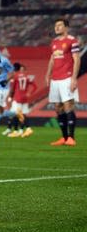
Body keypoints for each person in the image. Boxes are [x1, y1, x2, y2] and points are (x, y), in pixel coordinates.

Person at [45, 18, 80, 146]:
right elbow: (52, 59)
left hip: (67, 77)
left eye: (59, 25)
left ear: (66, 27)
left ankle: (71, 137)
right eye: (56, 25)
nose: (57, 27)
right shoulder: (54, 42)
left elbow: (76, 59)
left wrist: (74, 78)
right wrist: (48, 74)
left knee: (68, 106)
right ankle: (64, 137)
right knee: (58, 108)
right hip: (55, 78)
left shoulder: (72, 41)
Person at [7, 62, 36, 138]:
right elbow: (35, 86)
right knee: (22, 114)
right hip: (24, 98)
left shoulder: (15, 76)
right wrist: (30, 93)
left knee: (15, 114)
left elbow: (12, 88)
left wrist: (10, 96)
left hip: (17, 97)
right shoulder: (27, 77)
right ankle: (22, 130)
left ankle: (21, 130)